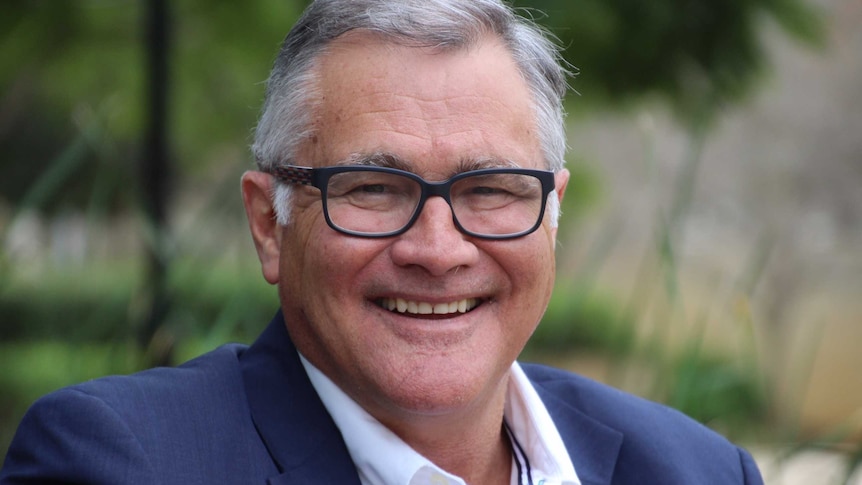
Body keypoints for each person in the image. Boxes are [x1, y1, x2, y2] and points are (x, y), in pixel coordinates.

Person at [1, 1, 764, 484]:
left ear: (551, 212)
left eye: (489, 189)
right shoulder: (122, 463)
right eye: (373, 189)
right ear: (270, 224)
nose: (438, 249)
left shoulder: (697, 469)